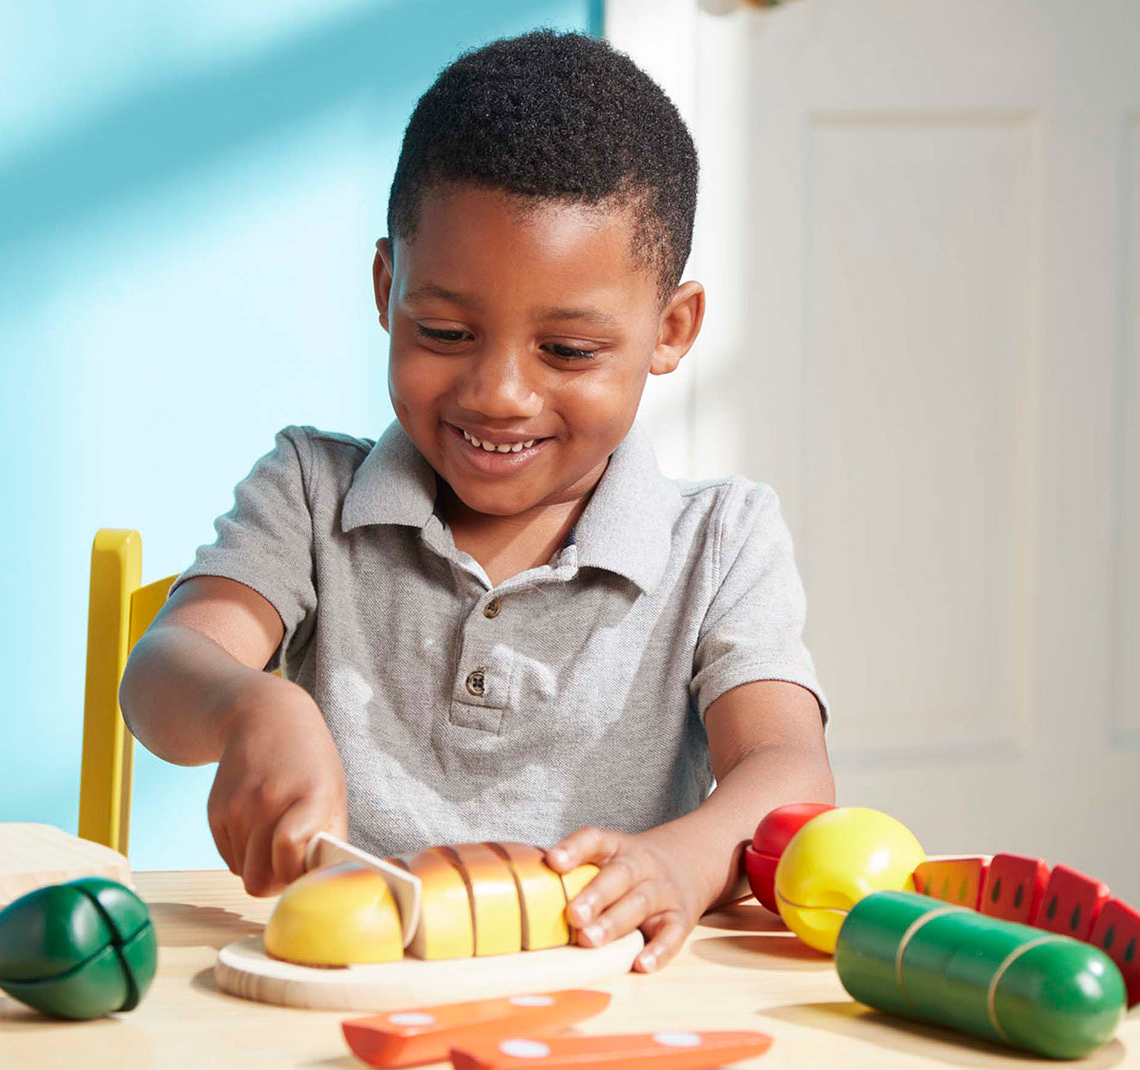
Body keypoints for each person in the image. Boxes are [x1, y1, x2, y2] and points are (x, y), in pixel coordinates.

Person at [120, 30, 833, 973]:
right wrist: (249, 706)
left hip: (608, 1009)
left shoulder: (720, 541)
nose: (499, 392)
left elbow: (788, 773)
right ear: (387, 290)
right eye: (446, 331)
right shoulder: (309, 489)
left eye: (568, 351)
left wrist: (687, 859)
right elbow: (163, 675)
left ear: (671, 329)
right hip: (350, 1003)